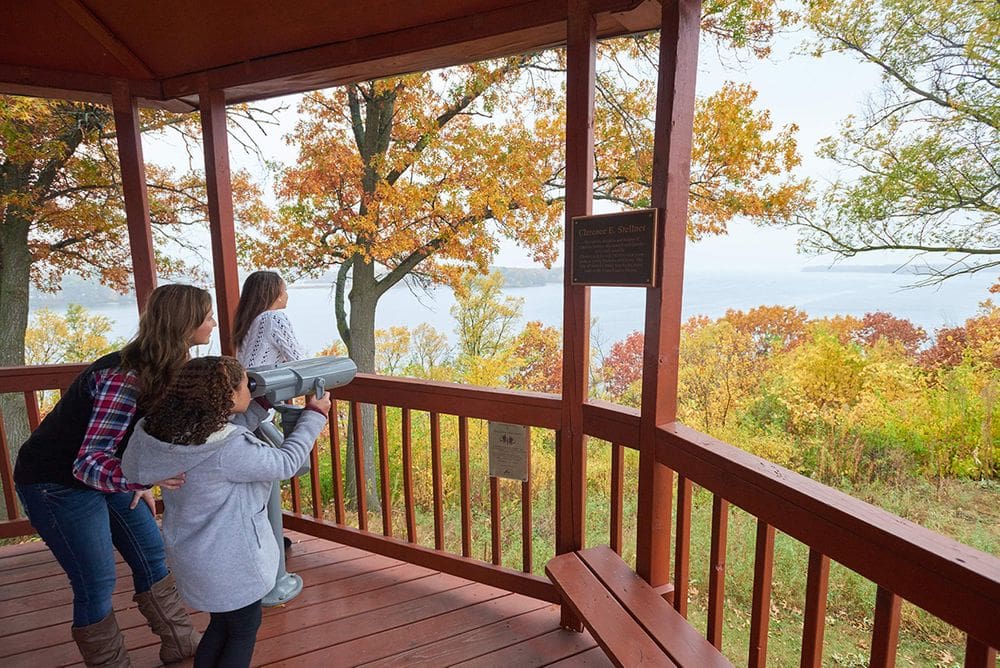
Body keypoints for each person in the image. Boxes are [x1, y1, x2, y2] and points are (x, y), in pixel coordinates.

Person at [14, 283, 212, 667]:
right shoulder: (124, 378)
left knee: (152, 555)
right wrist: (137, 480)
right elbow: (87, 461)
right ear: (183, 323)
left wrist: (140, 475)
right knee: (96, 581)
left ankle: (181, 642)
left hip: (110, 473)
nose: (213, 323)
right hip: (57, 482)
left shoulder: (171, 367)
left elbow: (144, 435)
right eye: (206, 317)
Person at [121, 356, 330, 667]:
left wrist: (259, 402)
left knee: (221, 625)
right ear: (227, 396)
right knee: (243, 630)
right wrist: (314, 415)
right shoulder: (229, 450)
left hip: (196, 556)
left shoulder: (166, 432)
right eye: (246, 384)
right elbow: (287, 463)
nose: (249, 387)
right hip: (231, 563)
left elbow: (217, 435)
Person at [232, 271, 304, 369]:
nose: (287, 295)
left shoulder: (248, 320)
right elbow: (299, 361)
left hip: (248, 382)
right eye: (285, 290)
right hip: (265, 383)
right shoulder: (273, 318)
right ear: (277, 294)